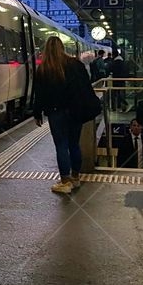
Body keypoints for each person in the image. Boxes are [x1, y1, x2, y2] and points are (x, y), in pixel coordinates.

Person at [33, 36, 91, 194]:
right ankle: (76, 178)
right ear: (62, 48)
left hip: (56, 113)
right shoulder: (75, 64)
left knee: (61, 146)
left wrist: (37, 113)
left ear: (46, 50)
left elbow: (39, 94)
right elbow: (86, 85)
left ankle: (65, 182)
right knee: (74, 144)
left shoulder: (44, 69)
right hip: (75, 112)